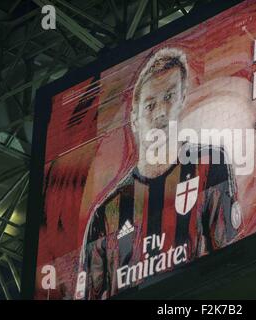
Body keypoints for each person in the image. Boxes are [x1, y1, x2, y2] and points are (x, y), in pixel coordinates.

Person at [78, 47, 241, 300]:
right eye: (150, 105)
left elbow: (231, 266)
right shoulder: (106, 212)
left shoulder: (210, 164)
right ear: (134, 119)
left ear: (183, 99)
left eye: (169, 97)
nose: (161, 113)